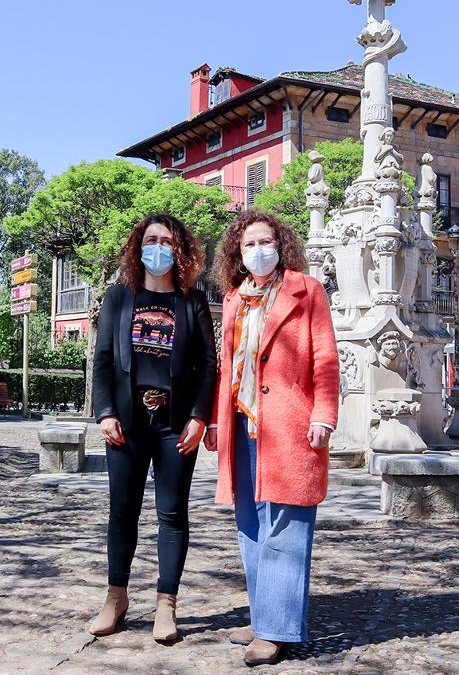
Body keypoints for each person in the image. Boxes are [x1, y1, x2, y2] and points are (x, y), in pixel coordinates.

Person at [203, 211, 340, 666]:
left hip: (290, 425)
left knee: (284, 525)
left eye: (265, 241)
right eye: (247, 245)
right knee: (250, 524)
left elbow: (325, 359)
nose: (257, 250)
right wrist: (216, 422)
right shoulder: (234, 300)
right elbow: (227, 368)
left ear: (281, 244)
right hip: (242, 423)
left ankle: (277, 629)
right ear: (237, 255)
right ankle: (265, 615)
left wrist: (324, 413)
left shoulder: (306, 291)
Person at [88, 214, 218, 643]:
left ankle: (166, 605)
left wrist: (200, 416)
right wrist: (104, 411)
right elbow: (103, 358)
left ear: (179, 250)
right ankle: (116, 598)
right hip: (125, 423)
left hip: (174, 424)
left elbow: (207, 365)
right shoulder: (118, 297)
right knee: (121, 512)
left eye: (166, 240)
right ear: (137, 247)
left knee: (172, 514)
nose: (158, 247)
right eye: (150, 239)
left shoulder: (192, 301)